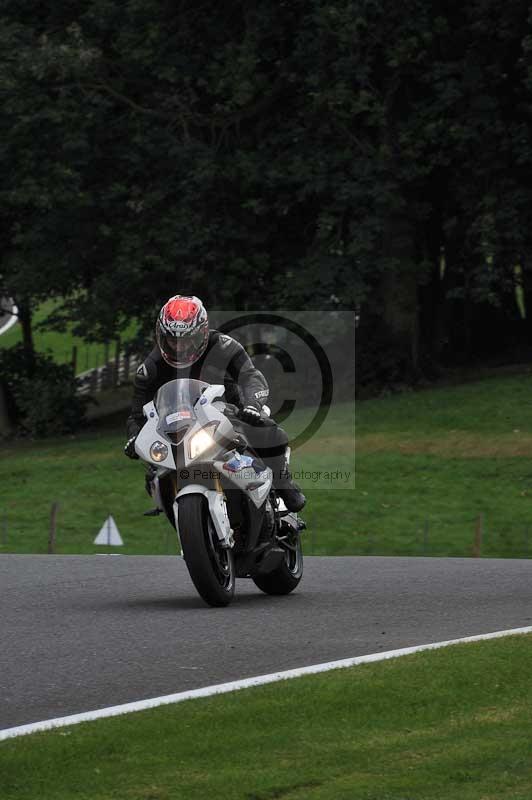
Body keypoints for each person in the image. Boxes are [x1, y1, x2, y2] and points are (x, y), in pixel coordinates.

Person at [124, 294, 306, 512]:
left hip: (229, 414)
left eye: (186, 339)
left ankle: (285, 487)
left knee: (269, 431)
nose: (180, 347)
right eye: (173, 340)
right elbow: (136, 416)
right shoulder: (150, 367)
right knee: (153, 471)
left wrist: (251, 406)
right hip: (178, 427)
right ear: (161, 336)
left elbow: (251, 377)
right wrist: (135, 437)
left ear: (201, 332)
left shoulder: (223, 346)